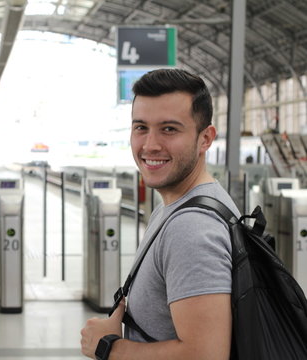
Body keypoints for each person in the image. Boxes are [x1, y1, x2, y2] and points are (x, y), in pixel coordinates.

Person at [81, 68, 240, 360]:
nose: (150, 145)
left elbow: (205, 355)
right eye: (141, 127)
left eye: (169, 129)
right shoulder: (175, 207)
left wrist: (108, 346)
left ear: (205, 138)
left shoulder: (191, 228)